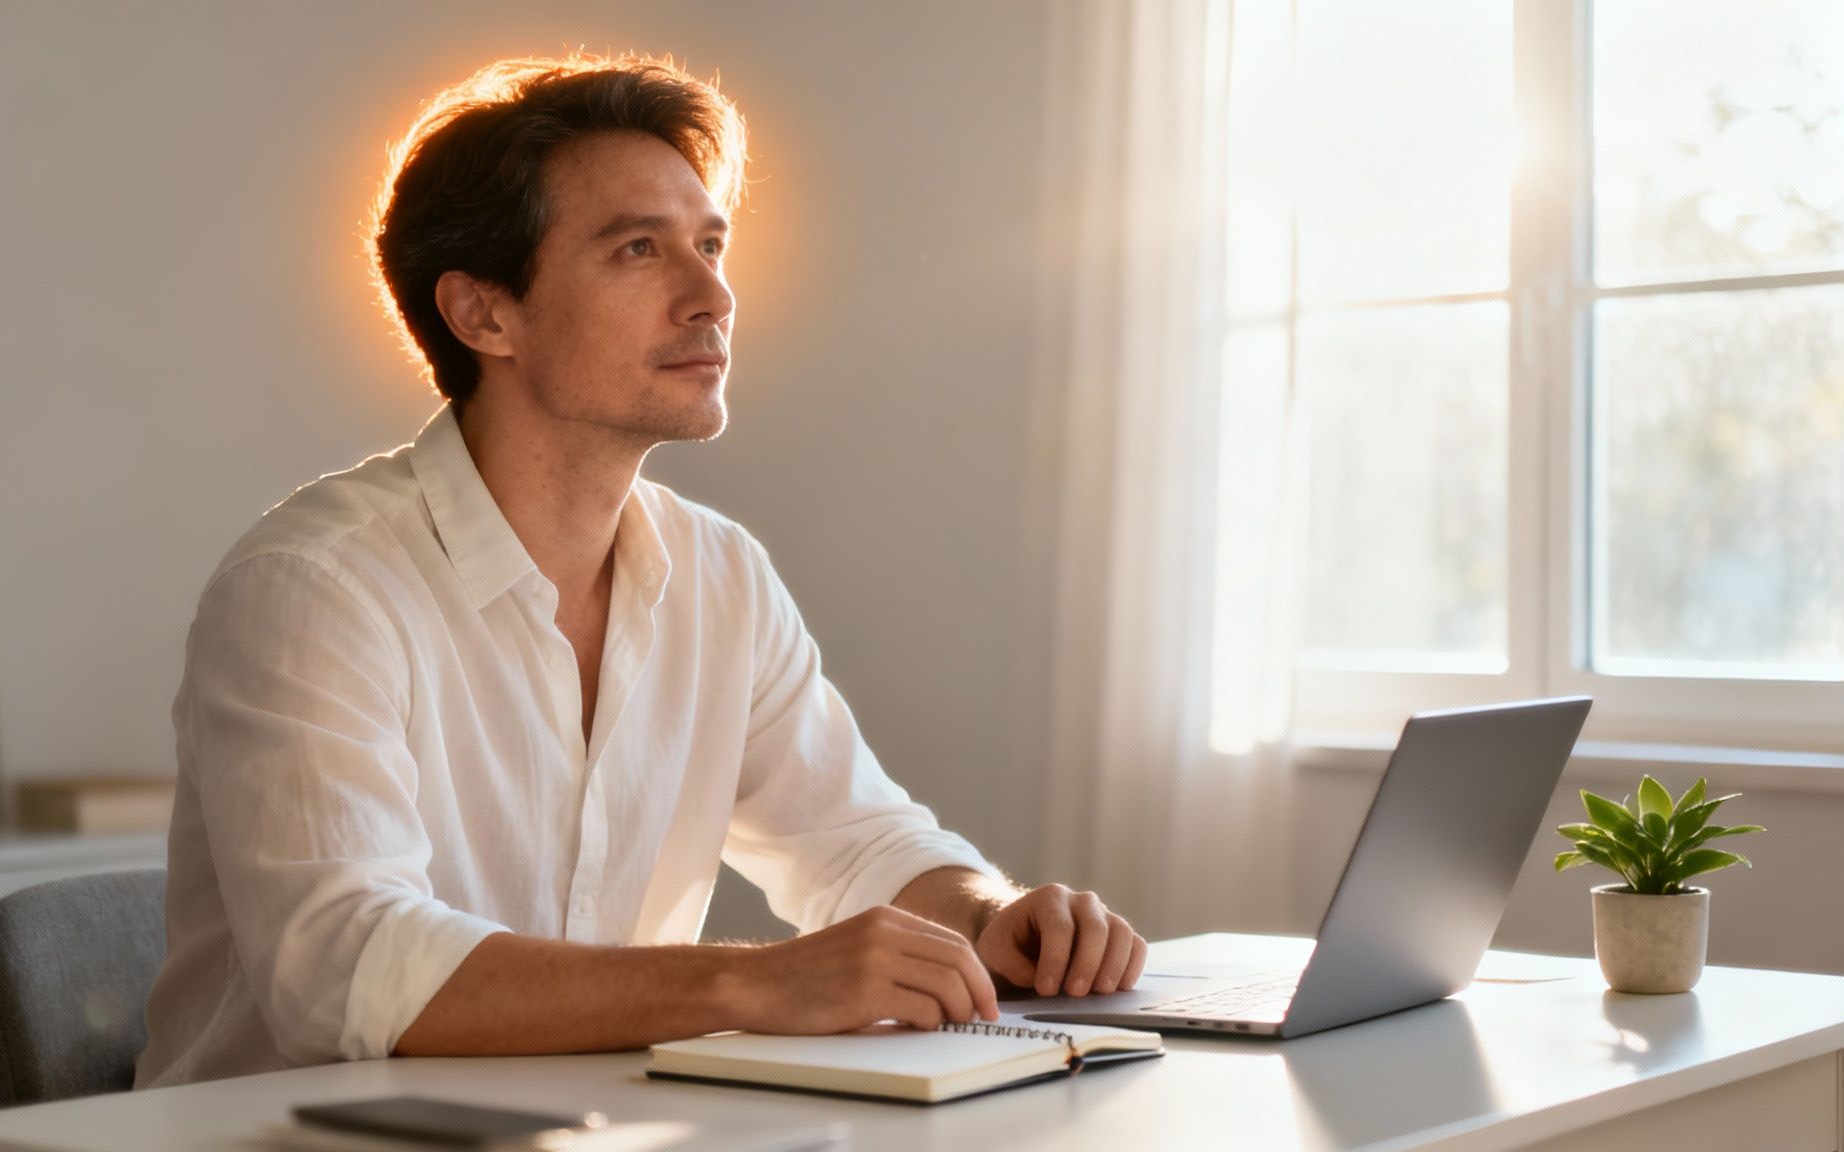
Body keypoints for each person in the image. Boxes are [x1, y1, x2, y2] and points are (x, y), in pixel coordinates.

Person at [135, 53, 1144, 1089]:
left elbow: (852, 843)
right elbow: (346, 972)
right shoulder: (313, 588)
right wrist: (751, 984)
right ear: (484, 314)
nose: (711, 296)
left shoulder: (719, 577)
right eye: (636, 250)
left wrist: (989, 917)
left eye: (709, 245)